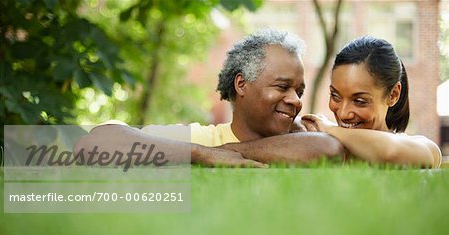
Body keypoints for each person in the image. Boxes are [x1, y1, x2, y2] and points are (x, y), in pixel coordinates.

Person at [75, 28, 344, 167]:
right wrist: (202, 154)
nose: (295, 101)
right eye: (282, 86)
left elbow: (328, 150)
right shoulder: (200, 140)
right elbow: (93, 144)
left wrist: (230, 153)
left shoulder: (298, 138)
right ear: (242, 84)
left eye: (298, 91)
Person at [301, 36, 442, 168]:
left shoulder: (423, 147)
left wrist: (331, 129)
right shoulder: (322, 147)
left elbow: (389, 153)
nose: (343, 114)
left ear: (393, 94)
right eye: (335, 96)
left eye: (359, 101)